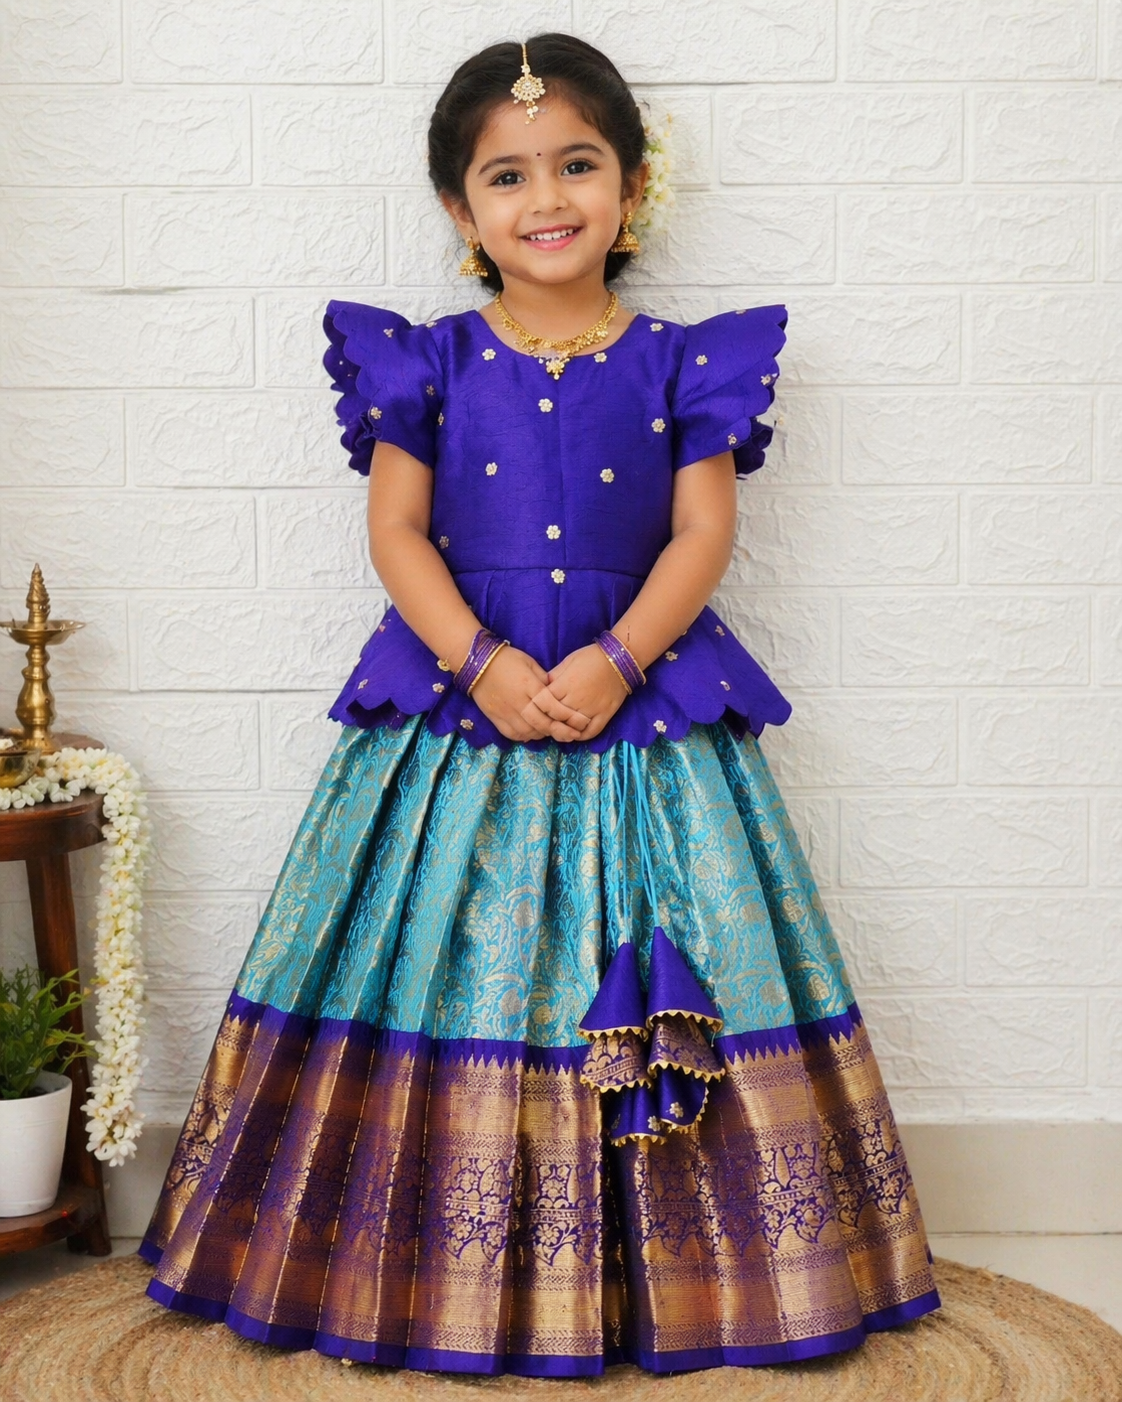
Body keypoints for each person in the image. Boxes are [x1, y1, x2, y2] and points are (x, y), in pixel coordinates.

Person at [139, 32, 939, 1376]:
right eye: (505, 176)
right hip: (460, 717)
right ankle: (433, 1276)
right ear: (460, 211)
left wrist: (618, 658)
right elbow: (396, 532)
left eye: (577, 164)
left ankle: (693, 1282)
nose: (546, 198)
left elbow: (702, 533)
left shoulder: (684, 364)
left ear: (632, 186)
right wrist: (481, 662)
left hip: (648, 714)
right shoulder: (427, 364)